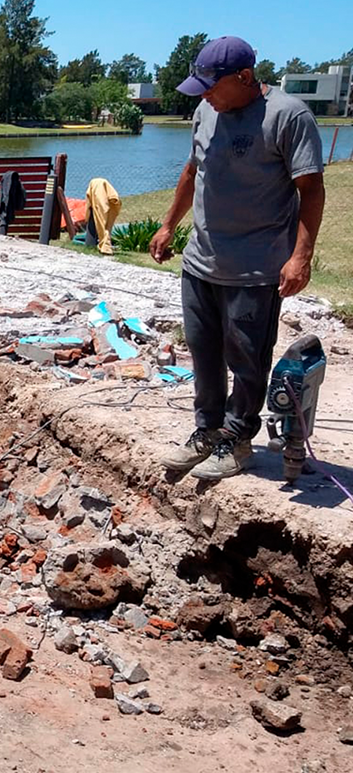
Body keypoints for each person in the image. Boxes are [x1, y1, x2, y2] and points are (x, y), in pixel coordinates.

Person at [152, 35, 325, 480]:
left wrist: (301, 256)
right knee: (204, 352)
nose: (205, 95)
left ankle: (237, 439)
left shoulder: (288, 116)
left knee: (247, 361)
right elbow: (192, 170)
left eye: (211, 86)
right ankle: (207, 431)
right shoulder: (205, 111)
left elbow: (311, 190)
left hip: (256, 267)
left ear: (245, 77)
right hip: (201, 262)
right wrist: (169, 225)